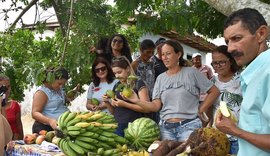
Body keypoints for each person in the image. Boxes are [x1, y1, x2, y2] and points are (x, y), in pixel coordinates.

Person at [126, 40, 220, 141]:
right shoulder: (160, 78)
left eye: (168, 54)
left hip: (189, 127)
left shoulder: (191, 72)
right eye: (162, 54)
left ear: (178, 54)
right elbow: (156, 106)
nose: (164, 58)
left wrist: (200, 109)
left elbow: (214, 91)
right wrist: (137, 101)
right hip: (165, 129)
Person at [215, 8, 270, 155]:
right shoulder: (255, 73)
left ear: (261, 34)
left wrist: (234, 130)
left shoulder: (268, 72)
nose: (230, 48)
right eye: (227, 41)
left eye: (237, 38)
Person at [107, 56, 150, 137]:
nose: (117, 76)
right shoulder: (117, 85)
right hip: (118, 126)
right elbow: (115, 108)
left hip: (134, 128)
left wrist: (125, 104)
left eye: (119, 72)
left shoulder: (138, 83)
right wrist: (109, 101)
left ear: (127, 69)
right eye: (115, 73)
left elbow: (147, 108)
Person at [211, 45, 242, 154]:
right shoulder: (211, 82)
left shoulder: (241, 80)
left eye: (221, 62)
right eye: (214, 63)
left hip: (237, 137)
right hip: (216, 137)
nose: (217, 66)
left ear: (231, 60)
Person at [32, 67, 70, 133]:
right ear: (51, 79)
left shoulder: (58, 90)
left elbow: (63, 102)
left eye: (63, 84)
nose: (61, 86)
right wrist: (50, 121)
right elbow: (35, 113)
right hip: (46, 128)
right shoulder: (41, 93)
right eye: (59, 83)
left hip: (61, 127)